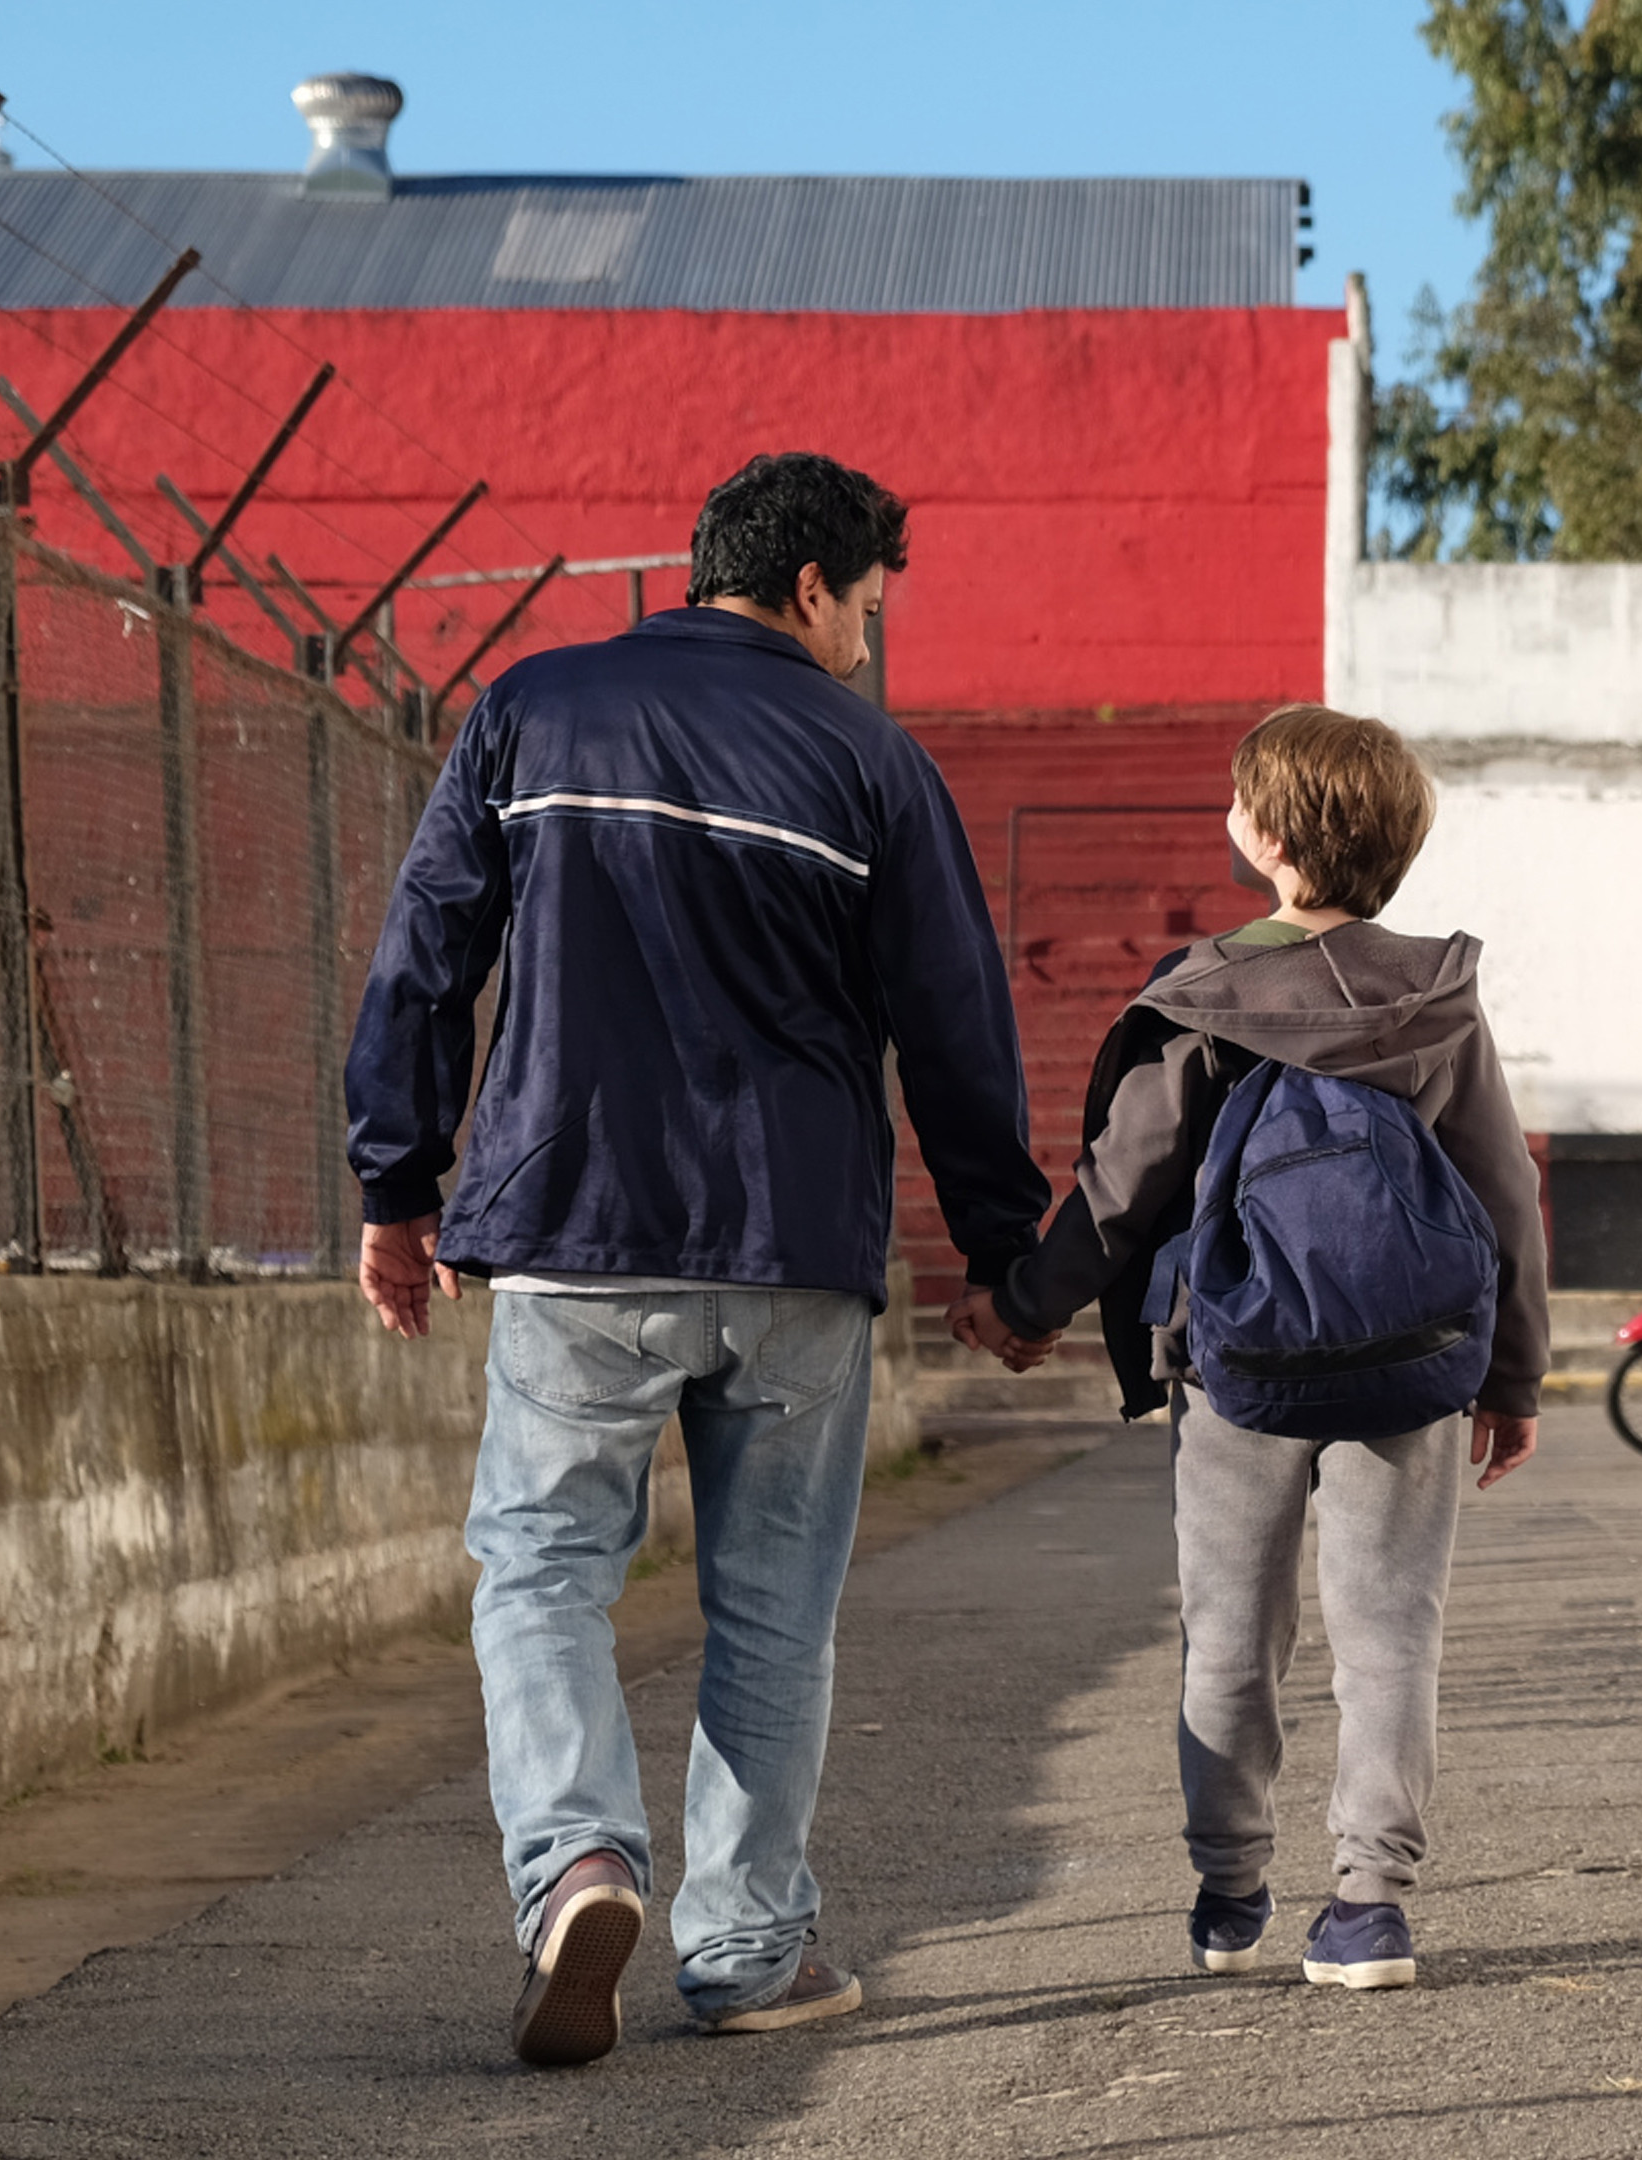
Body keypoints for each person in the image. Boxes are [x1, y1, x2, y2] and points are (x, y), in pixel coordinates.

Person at [343, 452, 1050, 2067]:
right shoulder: (875, 763)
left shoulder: (533, 709)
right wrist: (1005, 1259)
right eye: (867, 608)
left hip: (575, 1231)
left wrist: (398, 1184)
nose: (868, 639)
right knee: (773, 1614)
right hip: (795, 1249)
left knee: (543, 1572)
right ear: (810, 588)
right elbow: (957, 1028)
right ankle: (745, 1953)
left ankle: (579, 1867)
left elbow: (425, 956)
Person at [983, 704, 1546, 1991]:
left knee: (1232, 1636)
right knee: (1390, 1633)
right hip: (1411, 1359)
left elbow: (1120, 1190)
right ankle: (1369, 1908)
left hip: (1235, 1366)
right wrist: (1511, 1376)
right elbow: (1503, 1190)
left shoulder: (1206, 995)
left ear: (1268, 840)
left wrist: (1024, 1306)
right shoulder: (1436, 999)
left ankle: (1230, 1890)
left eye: (1241, 802)